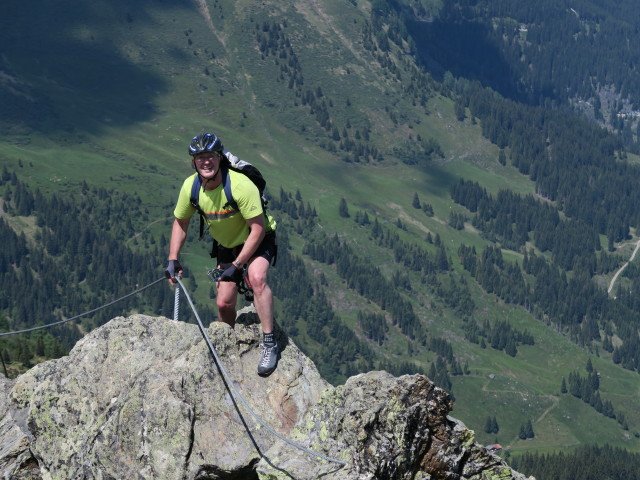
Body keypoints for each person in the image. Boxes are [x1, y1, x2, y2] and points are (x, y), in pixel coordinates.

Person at [165, 132, 279, 376]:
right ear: (193, 162)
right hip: (227, 245)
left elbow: (258, 229)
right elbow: (180, 222)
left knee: (257, 278)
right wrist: (173, 258)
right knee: (224, 302)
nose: (205, 162)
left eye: (210, 157)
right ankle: (225, 344)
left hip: (258, 238)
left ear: (219, 158)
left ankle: (269, 343)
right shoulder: (191, 187)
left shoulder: (240, 185)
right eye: (199, 158)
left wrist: (238, 265)